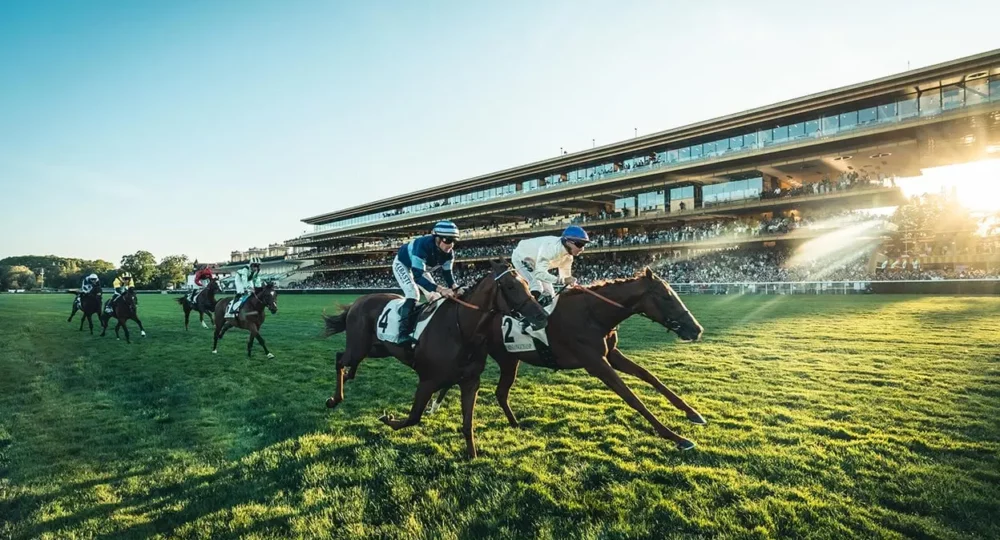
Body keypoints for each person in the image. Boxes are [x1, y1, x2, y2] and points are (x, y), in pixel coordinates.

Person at [391, 220, 460, 344]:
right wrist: (441, 288)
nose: (451, 245)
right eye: (448, 240)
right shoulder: (422, 245)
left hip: (420, 268)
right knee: (413, 294)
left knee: (436, 297)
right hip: (403, 264)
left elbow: (448, 275)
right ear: (437, 239)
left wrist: (455, 287)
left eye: (454, 241)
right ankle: (403, 334)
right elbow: (417, 277)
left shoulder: (449, 254)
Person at [511, 225, 590, 307]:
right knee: (537, 286)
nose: (582, 249)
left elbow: (566, 278)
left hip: (536, 263)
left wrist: (573, 284)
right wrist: (563, 280)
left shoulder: (568, 258)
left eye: (584, 245)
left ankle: (542, 313)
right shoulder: (552, 249)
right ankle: (525, 312)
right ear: (568, 242)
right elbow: (539, 274)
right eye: (580, 244)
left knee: (550, 294)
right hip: (521, 256)